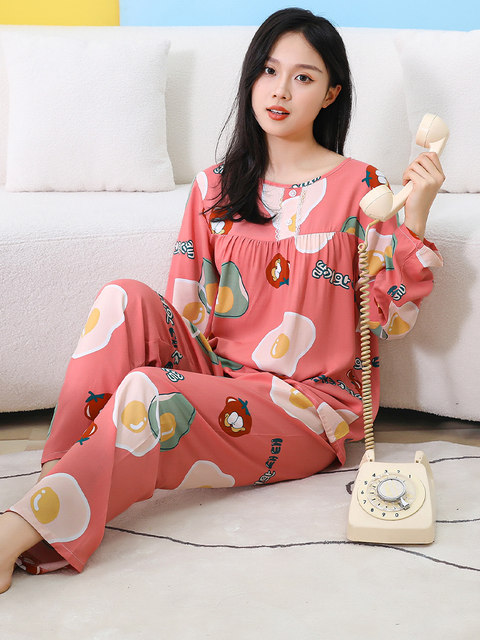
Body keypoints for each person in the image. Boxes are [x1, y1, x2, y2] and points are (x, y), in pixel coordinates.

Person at [0, 7, 445, 592]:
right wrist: (187, 380)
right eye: (269, 71)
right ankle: (49, 497)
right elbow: (185, 314)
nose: (280, 90)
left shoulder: (360, 187)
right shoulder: (214, 186)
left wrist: (416, 214)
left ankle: (22, 527)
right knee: (120, 299)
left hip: (304, 407)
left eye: (303, 77)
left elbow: (392, 321)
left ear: (331, 93)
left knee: (150, 392)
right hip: (221, 376)